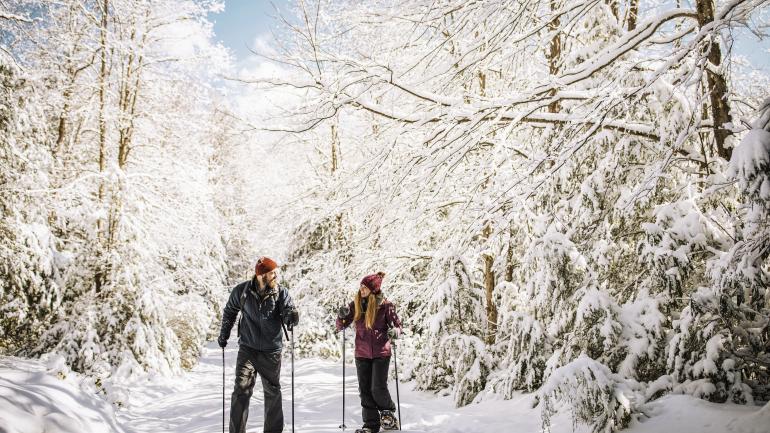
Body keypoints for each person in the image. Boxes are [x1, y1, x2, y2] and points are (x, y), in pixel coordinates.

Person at [218, 256, 299, 433]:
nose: (276, 276)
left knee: (272, 392)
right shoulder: (242, 291)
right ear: (262, 275)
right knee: (241, 391)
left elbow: (287, 312)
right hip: (248, 349)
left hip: (271, 351)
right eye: (272, 273)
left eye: (276, 272)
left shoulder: (281, 292)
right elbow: (230, 311)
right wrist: (223, 334)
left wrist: (291, 317)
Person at [336, 271, 403, 433]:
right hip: (362, 354)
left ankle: (388, 413)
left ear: (373, 290)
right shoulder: (355, 305)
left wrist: (395, 331)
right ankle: (371, 425)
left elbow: (398, 326)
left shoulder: (386, 306)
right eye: (360, 286)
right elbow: (341, 326)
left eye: (364, 287)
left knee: (377, 388)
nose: (361, 290)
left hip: (381, 353)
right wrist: (341, 316)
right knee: (365, 390)